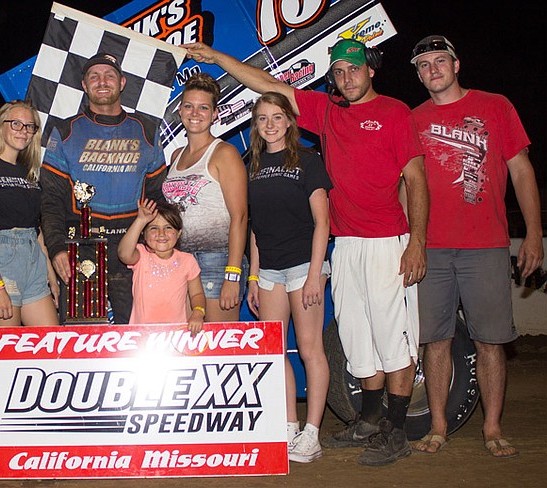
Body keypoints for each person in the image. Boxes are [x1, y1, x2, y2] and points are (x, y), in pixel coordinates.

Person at [184, 38, 428, 466]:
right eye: (338, 72)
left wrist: (418, 243)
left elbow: (417, 178)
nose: (346, 78)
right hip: (346, 242)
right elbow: (265, 83)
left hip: (389, 241)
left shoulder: (395, 112)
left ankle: (397, 429)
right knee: (356, 339)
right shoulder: (326, 111)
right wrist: (218, 57)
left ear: (370, 69)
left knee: (394, 339)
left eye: (354, 69)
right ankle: (369, 420)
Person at [408, 35, 543, 458]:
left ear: (457, 64)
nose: (433, 69)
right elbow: (404, 186)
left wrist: (534, 233)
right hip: (432, 248)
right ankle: (439, 426)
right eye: (424, 64)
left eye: (440, 61)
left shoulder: (495, 106)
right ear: (418, 74)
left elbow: (521, 170)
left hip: (485, 245)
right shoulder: (412, 119)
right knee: (435, 341)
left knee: (490, 341)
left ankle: (492, 427)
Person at [40, 52, 168, 324]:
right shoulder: (64, 132)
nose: (102, 81)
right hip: (80, 248)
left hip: (132, 249)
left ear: (121, 83)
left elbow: (159, 198)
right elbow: (50, 200)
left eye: (109, 75)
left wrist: (160, 247)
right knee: (82, 339)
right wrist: (56, 248)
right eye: (94, 76)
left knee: (140, 337)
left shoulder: (146, 130)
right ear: (84, 85)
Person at [245, 92, 332, 463]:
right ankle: (288, 427)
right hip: (268, 271)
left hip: (303, 267)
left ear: (289, 121)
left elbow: (322, 222)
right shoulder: (251, 164)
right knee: (274, 350)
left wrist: (315, 274)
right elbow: (253, 226)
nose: (270, 125)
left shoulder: (308, 162)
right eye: (263, 118)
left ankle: (312, 433)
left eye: (277, 117)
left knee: (311, 349)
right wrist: (252, 276)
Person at [162, 72, 248, 322]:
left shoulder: (224, 153)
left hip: (218, 261)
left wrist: (232, 275)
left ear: (215, 113)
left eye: (203, 107)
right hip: (181, 261)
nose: (195, 113)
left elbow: (240, 217)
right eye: (189, 106)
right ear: (180, 110)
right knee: (188, 346)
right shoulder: (176, 155)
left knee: (216, 347)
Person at [0, 100, 60, 326]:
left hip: (33, 262)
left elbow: (35, 230)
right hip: (1, 263)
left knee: (52, 344)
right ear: (1, 126)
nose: (24, 131)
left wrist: (51, 277)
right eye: (16, 124)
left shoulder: (28, 173)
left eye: (29, 126)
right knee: (7, 351)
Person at [118, 199, 206, 332]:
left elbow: (197, 294)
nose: (161, 234)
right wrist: (140, 220)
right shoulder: (141, 255)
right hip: (142, 335)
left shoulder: (187, 261)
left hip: (176, 335)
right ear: (144, 233)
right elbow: (123, 254)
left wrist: (198, 313)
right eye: (154, 228)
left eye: (168, 227)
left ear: (179, 233)